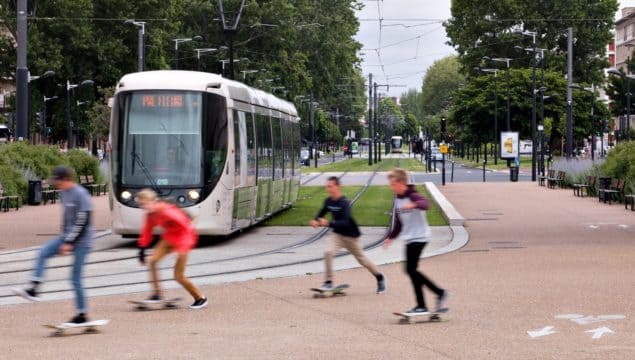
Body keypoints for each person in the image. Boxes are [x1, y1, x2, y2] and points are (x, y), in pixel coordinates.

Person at [12, 166, 94, 324]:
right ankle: (34, 288)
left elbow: (84, 221)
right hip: (67, 237)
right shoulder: (64, 193)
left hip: (83, 241)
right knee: (43, 251)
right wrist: (64, 238)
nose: (57, 185)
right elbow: (66, 218)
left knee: (75, 278)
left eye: (58, 181)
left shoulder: (81, 194)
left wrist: (69, 243)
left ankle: (82, 314)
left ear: (66, 179)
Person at [384, 168, 448, 315]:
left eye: (393, 184)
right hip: (409, 238)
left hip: (420, 237)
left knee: (411, 270)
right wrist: (390, 237)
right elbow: (399, 223)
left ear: (401, 183)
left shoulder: (412, 195)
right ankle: (431, 298)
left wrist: (414, 205)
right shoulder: (397, 199)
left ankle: (433, 297)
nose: (391, 187)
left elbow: (425, 204)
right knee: (411, 270)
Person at [310, 176, 386, 293]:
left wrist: (328, 223)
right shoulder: (328, 201)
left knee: (362, 260)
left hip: (350, 236)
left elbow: (345, 222)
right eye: (327, 186)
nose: (328, 189)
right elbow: (321, 213)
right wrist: (315, 220)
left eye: (330, 186)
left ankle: (379, 277)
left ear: (337, 187)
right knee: (328, 252)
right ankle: (328, 282)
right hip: (337, 235)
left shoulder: (344, 203)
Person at [136, 189, 208, 309]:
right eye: (142, 205)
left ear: (153, 201)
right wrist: (142, 249)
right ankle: (157, 293)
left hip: (183, 239)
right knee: (153, 261)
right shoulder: (150, 215)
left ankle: (200, 298)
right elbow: (146, 231)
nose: (144, 207)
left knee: (178, 276)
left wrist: (182, 248)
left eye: (146, 203)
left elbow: (187, 228)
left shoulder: (167, 211)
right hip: (169, 238)